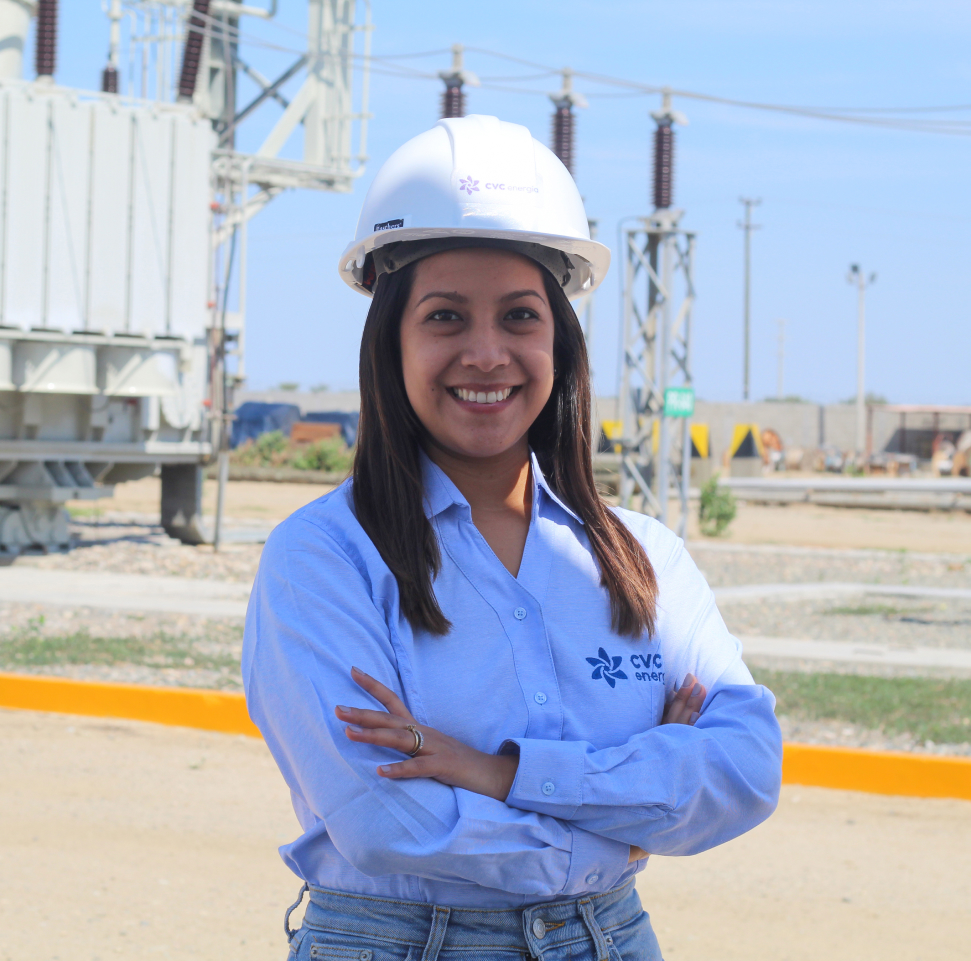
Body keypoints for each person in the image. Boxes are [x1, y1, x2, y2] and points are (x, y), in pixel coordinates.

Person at [243, 114, 782, 961]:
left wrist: (491, 770)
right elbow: (385, 821)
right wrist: (627, 825)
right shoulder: (325, 559)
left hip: (608, 939)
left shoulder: (641, 560)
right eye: (446, 317)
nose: (487, 352)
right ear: (391, 342)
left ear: (558, 343)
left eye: (520, 316)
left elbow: (745, 767)